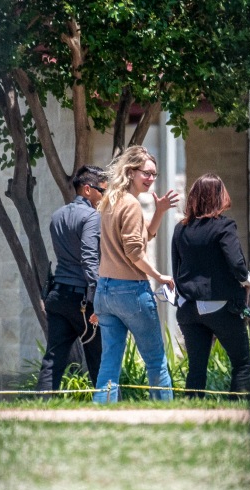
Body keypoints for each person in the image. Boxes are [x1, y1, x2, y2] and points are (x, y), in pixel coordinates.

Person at [92, 146, 179, 403]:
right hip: (131, 291)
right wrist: (159, 276)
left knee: (109, 361)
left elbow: (142, 239)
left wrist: (160, 211)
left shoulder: (110, 200)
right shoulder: (130, 204)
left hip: (105, 292)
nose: (152, 178)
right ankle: (166, 414)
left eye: (155, 174)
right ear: (131, 172)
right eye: (147, 173)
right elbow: (134, 252)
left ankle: (102, 411)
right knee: (155, 359)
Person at [171, 173, 250, 398]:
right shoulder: (224, 226)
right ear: (219, 197)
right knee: (242, 364)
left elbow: (176, 269)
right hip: (220, 306)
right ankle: (236, 411)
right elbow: (236, 263)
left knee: (196, 369)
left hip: (188, 307)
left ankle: (192, 412)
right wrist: (246, 282)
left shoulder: (180, 229)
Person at [36, 165, 107, 395]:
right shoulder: (92, 217)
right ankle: (108, 408)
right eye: (102, 191)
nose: (104, 197)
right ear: (88, 189)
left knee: (53, 358)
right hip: (82, 301)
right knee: (100, 356)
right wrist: (98, 299)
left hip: (58, 296)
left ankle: (40, 409)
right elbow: (89, 257)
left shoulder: (57, 215)